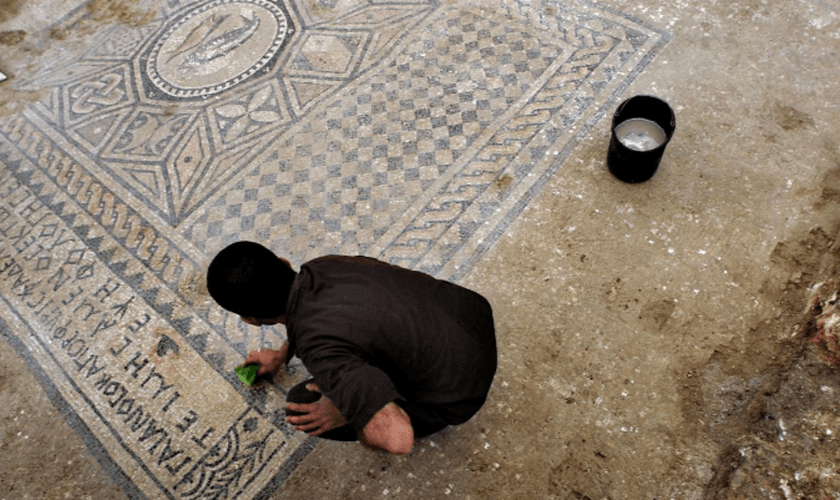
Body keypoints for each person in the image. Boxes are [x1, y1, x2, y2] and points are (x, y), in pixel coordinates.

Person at [206, 241, 497, 455]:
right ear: (283, 263)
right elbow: (318, 316)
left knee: (301, 400)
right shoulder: (324, 265)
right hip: (471, 317)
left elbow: (398, 439)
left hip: (460, 393)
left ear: (250, 320)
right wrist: (283, 355)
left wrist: (350, 410)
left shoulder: (319, 350)